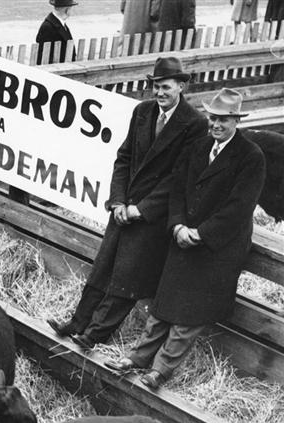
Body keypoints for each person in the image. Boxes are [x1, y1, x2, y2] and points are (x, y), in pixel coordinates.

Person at [104, 88, 266, 390]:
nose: (216, 125)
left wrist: (201, 233)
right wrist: (177, 225)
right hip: (183, 238)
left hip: (217, 247)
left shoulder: (250, 156)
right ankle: (137, 358)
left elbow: (239, 208)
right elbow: (177, 188)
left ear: (236, 121)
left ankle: (160, 370)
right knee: (164, 305)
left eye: (224, 120)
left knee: (190, 315)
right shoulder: (199, 147)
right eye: (213, 119)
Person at [48, 57, 206, 349]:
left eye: (166, 87)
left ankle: (94, 335)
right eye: (156, 87)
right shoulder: (142, 112)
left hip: (151, 217)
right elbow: (124, 158)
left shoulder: (194, 124)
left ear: (182, 86)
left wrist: (142, 209)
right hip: (123, 209)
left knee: (128, 278)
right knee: (103, 268)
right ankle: (77, 322)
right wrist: (117, 201)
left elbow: (179, 178)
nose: (159, 93)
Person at [35, 0, 77, 64]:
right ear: (67, 10)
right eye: (71, 8)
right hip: (55, 70)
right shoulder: (48, 27)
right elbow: (42, 57)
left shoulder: (60, 23)